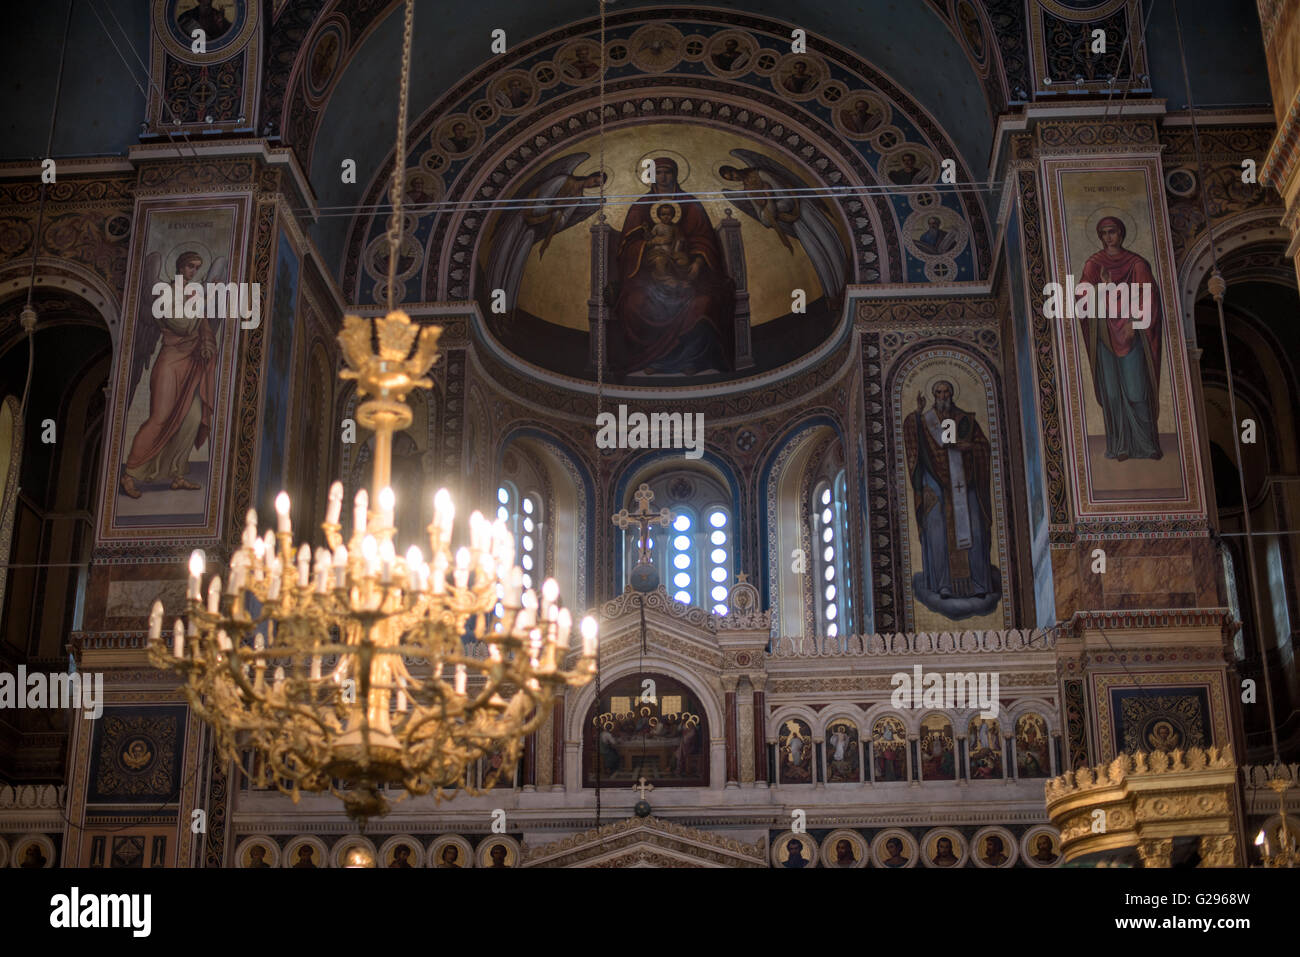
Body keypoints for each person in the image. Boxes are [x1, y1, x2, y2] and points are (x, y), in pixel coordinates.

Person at [613, 157, 735, 375]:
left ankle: (692, 360)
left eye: (668, 172)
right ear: (651, 177)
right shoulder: (639, 207)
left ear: (676, 175)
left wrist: (696, 265)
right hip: (647, 278)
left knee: (704, 303)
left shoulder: (691, 204)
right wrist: (649, 247)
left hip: (689, 274)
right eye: (658, 172)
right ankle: (651, 361)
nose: (663, 177)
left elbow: (704, 241)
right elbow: (627, 247)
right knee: (634, 303)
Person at [120, 250, 217, 499]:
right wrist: (198, 314)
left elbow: (204, 326)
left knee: (193, 417)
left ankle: (177, 474)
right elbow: (180, 325)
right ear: (179, 267)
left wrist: (207, 342)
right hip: (170, 362)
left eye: (196, 267)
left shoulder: (195, 295)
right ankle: (129, 474)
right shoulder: (164, 293)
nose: (193, 272)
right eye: (189, 267)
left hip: (192, 364)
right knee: (160, 418)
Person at [903, 379, 995, 610]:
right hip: (935, 486)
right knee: (937, 532)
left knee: (974, 527)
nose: (943, 396)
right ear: (934, 395)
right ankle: (942, 584)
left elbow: (983, 446)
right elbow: (913, 440)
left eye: (946, 392)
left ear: (952, 394)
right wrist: (916, 412)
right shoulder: (925, 422)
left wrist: (970, 449)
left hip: (966, 483)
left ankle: (979, 583)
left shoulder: (965, 420)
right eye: (939, 392)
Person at [1078, 215, 1164, 461]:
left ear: (1122, 233)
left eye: (1112, 231)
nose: (1108, 237)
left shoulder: (1137, 264)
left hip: (1131, 335)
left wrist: (1135, 322)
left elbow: (1149, 297)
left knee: (1136, 390)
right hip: (1104, 335)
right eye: (1104, 232)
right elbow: (1082, 299)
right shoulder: (1094, 265)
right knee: (1113, 393)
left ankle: (1147, 445)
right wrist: (1102, 288)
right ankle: (1120, 446)